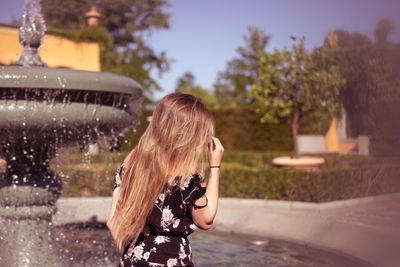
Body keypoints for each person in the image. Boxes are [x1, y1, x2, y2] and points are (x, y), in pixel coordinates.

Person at [107, 92, 224, 266]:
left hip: (133, 259)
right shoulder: (187, 173)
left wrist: (131, 256)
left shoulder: (132, 163)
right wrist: (215, 167)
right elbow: (205, 220)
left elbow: (112, 222)